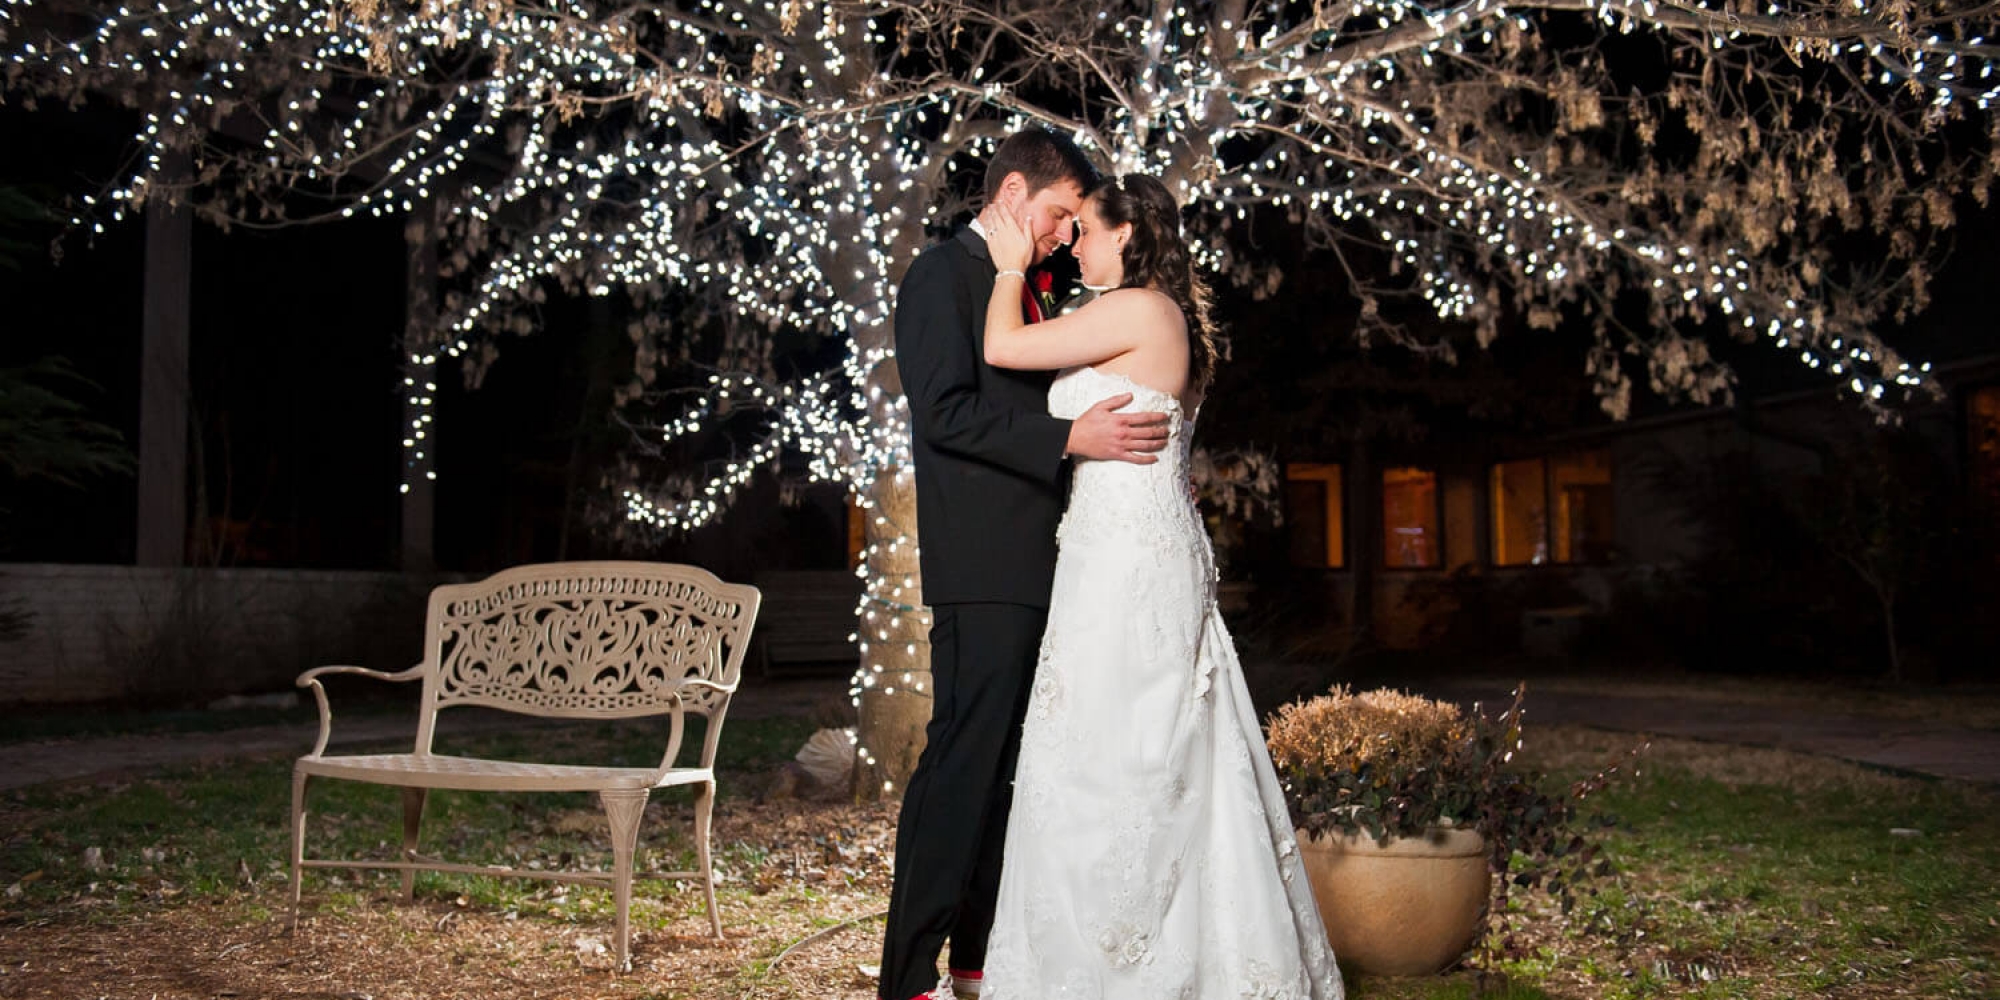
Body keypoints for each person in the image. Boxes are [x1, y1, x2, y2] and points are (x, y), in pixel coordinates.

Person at [972, 174, 1346, 999]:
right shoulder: (1154, 316)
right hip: (1121, 546)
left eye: (1089, 230)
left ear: (1129, 235)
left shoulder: (1139, 310)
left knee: (1126, 756)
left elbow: (1002, 348)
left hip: (1126, 563)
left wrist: (1006, 266)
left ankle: (1135, 962)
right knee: (1121, 748)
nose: (1075, 243)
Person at [881, 129, 1173, 1000]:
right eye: (1056, 216)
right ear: (1013, 192)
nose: (1059, 237)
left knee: (1017, 770)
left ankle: (978, 957)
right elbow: (942, 414)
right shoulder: (942, 275)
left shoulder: (1041, 288)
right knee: (963, 763)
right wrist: (1068, 437)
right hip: (982, 565)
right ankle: (907, 975)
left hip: (1060, 565)